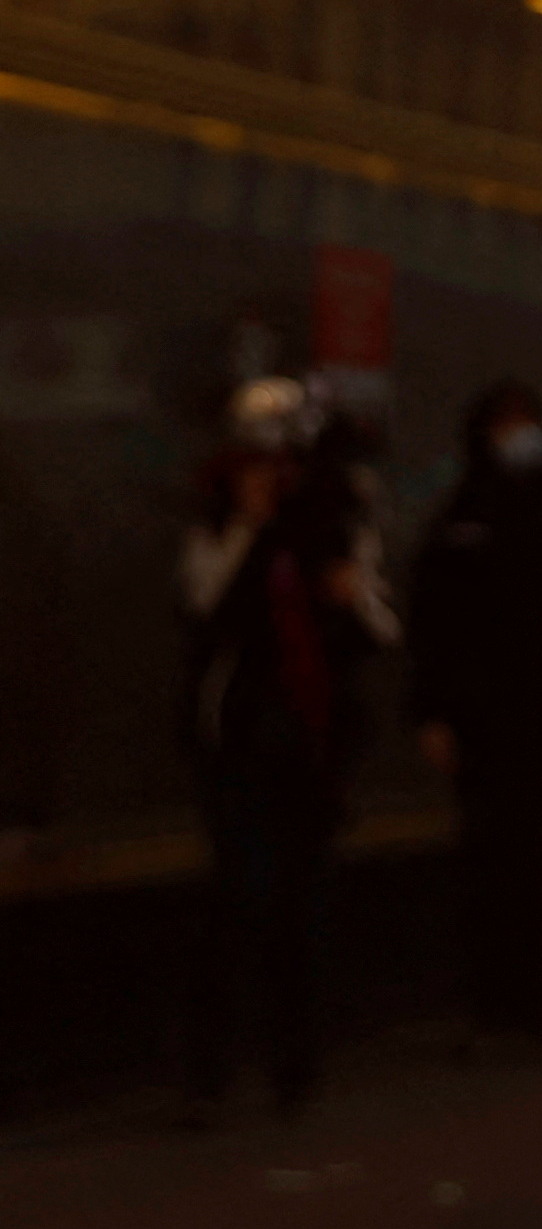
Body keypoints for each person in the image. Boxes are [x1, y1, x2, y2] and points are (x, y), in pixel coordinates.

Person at [178, 376, 396, 1120]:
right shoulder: (217, 525)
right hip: (238, 744)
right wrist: (249, 526)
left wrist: (346, 592)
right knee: (237, 901)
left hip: (309, 745)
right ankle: (209, 1070)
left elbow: (377, 624)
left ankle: (292, 1069)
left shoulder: (331, 523)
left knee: (302, 909)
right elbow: (205, 609)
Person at [407, 380, 542, 1038]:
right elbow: (434, 623)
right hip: (488, 723)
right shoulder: (462, 519)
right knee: (493, 861)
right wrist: (433, 713)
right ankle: (499, 1000)